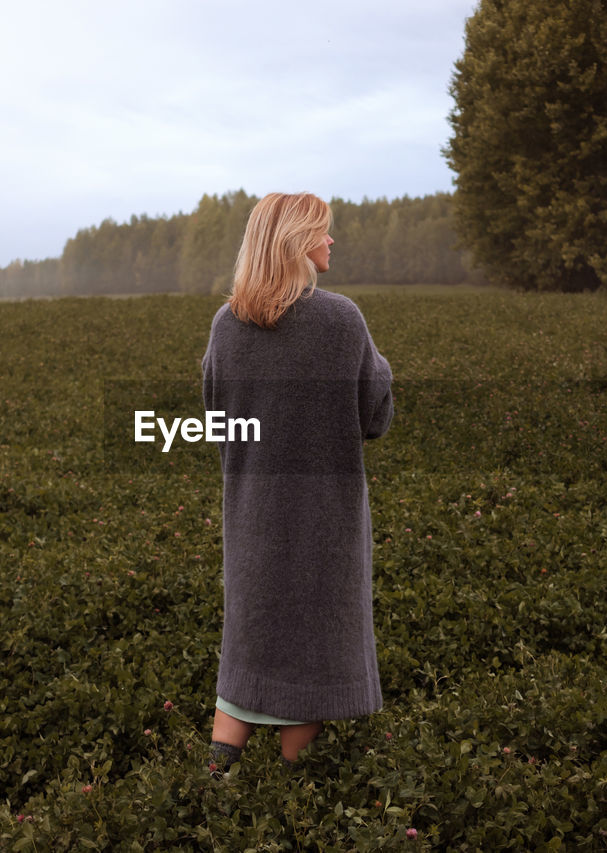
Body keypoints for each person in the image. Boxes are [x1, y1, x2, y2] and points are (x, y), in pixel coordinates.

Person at [200, 192, 394, 775]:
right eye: (323, 232)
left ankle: (214, 788)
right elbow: (376, 414)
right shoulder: (341, 320)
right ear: (295, 241)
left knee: (249, 656)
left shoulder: (226, 324)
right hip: (322, 528)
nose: (331, 241)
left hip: (253, 520)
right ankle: (292, 802)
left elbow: (215, 417)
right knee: (309, 663)